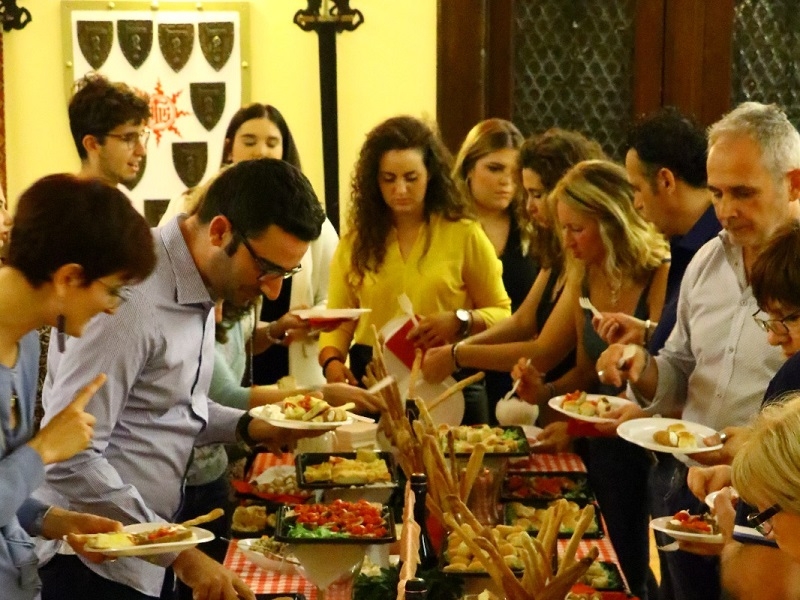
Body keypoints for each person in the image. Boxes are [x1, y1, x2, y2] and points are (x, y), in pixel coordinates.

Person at [35, 159, 327, 600]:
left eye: (286, 275)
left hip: (147, 553)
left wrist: (251, 425)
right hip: (93, 565)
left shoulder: (200, 282)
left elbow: (171, 408)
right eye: (267, 269)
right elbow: (69, 457)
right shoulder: (131, 299)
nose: (272, 291)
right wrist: (179, 554)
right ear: (220, 232)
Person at [596, 101, 800, 600]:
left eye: (743, 193)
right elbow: (680, 368)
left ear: (794, 184)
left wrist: (748, 461)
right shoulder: (706, 259)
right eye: (716, 192)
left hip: (776, 506)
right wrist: (642, 367)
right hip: (690, 483)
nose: (725, 210)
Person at [1, 174, 157, 599]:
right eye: (114, 290)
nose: (112, 308)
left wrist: (56, 520)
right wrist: (44, 449)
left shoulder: (25, 340)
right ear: (69, 277)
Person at [591, 107, 721, 600]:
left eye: (636, 188)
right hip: (680, 467)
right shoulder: (693, 250)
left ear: (665, 180)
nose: (636, 204)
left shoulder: (715, 246)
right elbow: (692, 349)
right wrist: (645, 340)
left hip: (725, 472)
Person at [318, 115, 511, 424]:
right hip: (376, 382)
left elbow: (502, 313)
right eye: (388, 179)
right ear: (374, 181)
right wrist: (332, 361)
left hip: (449, 377)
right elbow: (339, 319)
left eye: (411, 177)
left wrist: (460, 320)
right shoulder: (356, 242)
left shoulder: (463, 233)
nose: (400, 189)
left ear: (430, 174)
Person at [423, 128, 606, 426]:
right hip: (548, 400)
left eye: (538, 194)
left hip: (576, 409)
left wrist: (458, 355)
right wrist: (455, 350)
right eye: (528, 194)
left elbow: (544, 351)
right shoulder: (557, 252)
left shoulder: (581, 258)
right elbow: (522, 321)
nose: (530, 206)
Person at [161, 103, 338, 388]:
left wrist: (283, 327)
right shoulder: (155, 286)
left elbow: (201, 405)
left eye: (272, 143)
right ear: (217, 232)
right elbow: (219, 395)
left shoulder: (306, 219)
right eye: (250, 141)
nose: (261, 151)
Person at [685, 222, 800, 599]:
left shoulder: (794, 377)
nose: (773, 336)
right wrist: (746, 476)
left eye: (788, 319)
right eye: (769, 319)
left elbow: (760, 581)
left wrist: (731, 532)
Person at [450, 118, 537, 413]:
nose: (506, 181)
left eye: (515, 172)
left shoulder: (532, 228)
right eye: (495, 168)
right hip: (455, 368)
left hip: (517, 369)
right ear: (468, 168)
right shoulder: (446, 228)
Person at [68, 74, 150, 194]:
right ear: (92, 144)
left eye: (142, 135)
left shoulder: (119, 202)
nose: (142, 151)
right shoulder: (65, 204)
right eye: (128, 138)